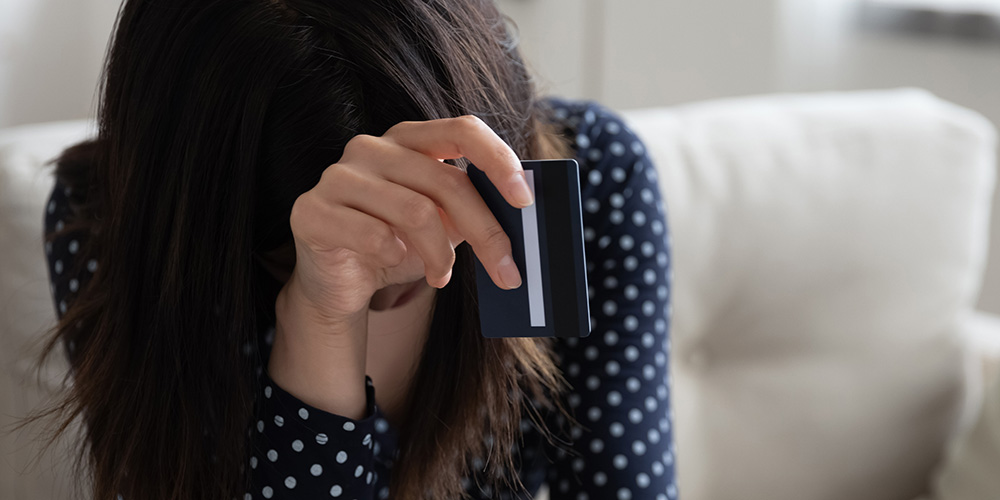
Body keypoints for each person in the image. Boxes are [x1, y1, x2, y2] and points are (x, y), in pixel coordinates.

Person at [40, 1, 677, 499]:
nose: (397, 261)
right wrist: (321, 318)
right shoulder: (107, 223)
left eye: (434, 206)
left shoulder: (583, 178)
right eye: (285, 251)